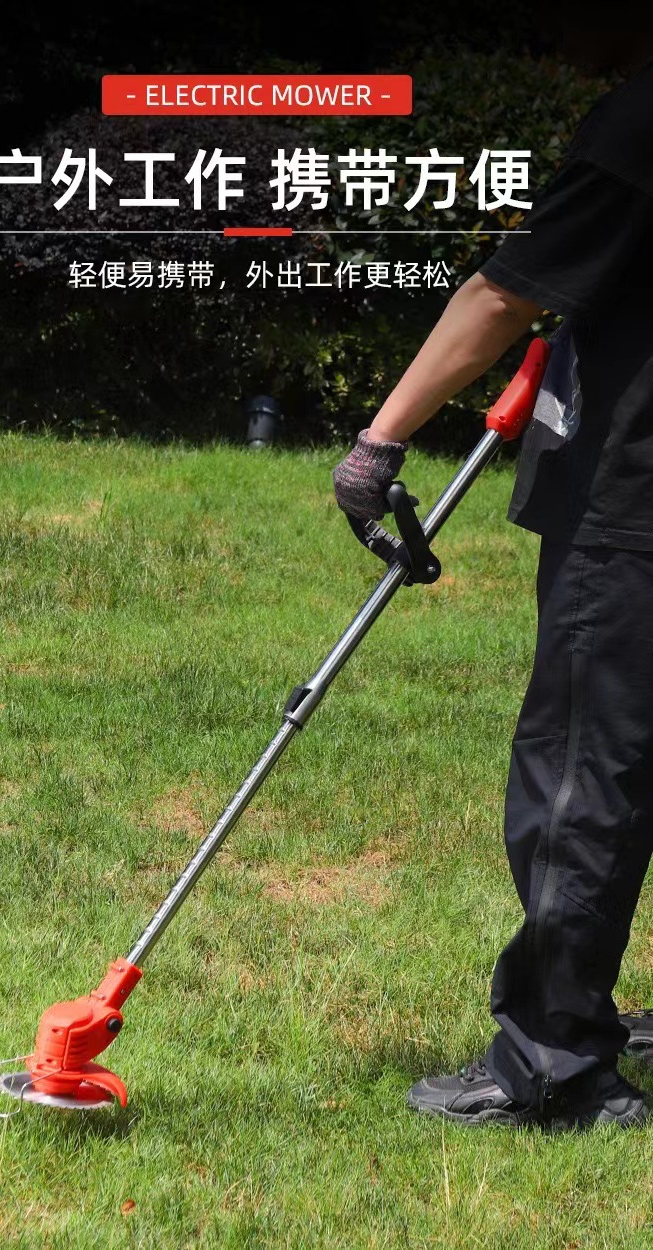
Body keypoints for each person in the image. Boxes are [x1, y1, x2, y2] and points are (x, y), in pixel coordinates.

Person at [333, 25, 653, 1128]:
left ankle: (552, 1063)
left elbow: (504, 295)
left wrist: (378, 443)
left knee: (584, 773)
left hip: (634, 503)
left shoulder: (641, 124)